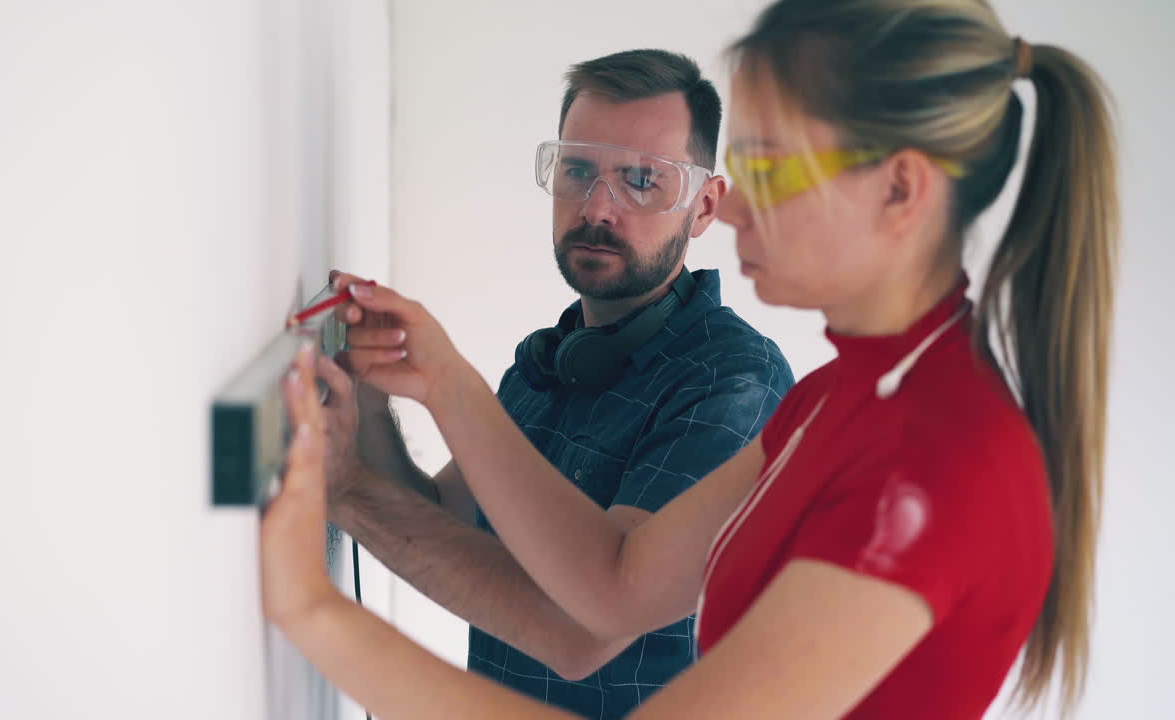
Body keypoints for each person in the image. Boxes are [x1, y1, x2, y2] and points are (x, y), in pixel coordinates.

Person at [261, 0, 1118, 717]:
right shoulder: (839, 394)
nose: (737, 207)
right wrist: (420, 391)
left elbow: (581, 634)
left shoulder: (930, 464)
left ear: (899, 190)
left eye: (774, 171)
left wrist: (308, 605)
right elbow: (616, 584)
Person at [322, 48, 793, 720]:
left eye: (640, 179)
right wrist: (366, 400)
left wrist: (345, 489)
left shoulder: (734, 387)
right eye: (577, 171)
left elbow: (579, 637)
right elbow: (436, 520)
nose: (598, 208)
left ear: (705, 205)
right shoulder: (553, 360)